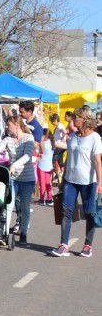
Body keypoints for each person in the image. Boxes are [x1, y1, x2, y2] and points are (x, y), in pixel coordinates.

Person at [50, 106, 102, 258]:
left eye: (76, 117)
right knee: (66, 211)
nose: (73, 120)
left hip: (88, 182)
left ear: (85, 120)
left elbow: (98, 161)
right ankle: (64, 244)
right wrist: (63, 179)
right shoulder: (73, 136)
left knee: (89, 212)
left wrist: (100, 183)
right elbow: (69, 159)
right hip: (70, 180)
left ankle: (87, 245)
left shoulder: (95, 138)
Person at [4, 115, 37, 243]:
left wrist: (14, 165)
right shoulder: (8, 139)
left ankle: (24, 232)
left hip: (27, 179)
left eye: (8, 125)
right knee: (9, 205)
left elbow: (27, 156)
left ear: (16, 125)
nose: (7, 127)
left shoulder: (29, 138)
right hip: (14, 178)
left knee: (24, 206)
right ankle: (6, 231)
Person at [36, 127, 55, 206]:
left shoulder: (42, 142)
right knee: (48, 183)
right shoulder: (52, 142)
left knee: (42, 183)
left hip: (41, 165)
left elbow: (41, 154)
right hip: (49, 165)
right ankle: (49, 199)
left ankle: (42, 199)